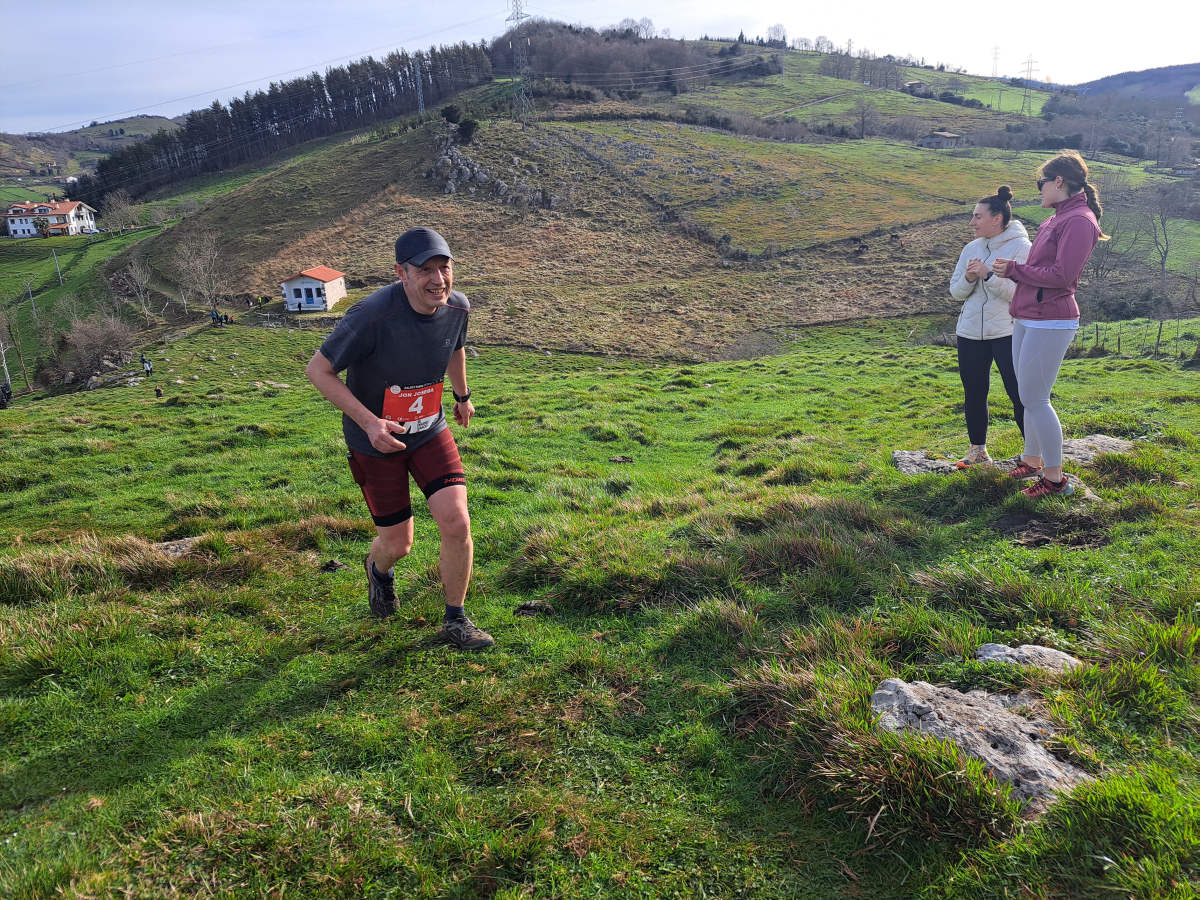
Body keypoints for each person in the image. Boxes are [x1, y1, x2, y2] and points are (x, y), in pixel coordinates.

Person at [305, 227, 492, 650]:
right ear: (400, 273)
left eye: (444, 268)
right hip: (375, 441)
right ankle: (378, 570)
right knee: (398, 543)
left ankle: (456, 620)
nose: (437, 280)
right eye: (424, 270)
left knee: (457, 520)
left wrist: (462, 396)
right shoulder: (371, 316)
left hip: (430, 430)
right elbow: (318, 371)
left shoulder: (457, 307)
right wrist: (370, 422)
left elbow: (455, 347)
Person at [994, 150, 1106, 499]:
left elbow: (1063, 276)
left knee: (1035, 398)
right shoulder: (1058, 217)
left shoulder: (1079, 221)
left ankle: (1056, 479)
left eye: (1041, 182)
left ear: (1059, 181)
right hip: (1031, 315)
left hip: (1051, 319)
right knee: (1028, 396)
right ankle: (1032, 460)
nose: (1038, 189)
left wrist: (1014, 269)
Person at [949, 186, 1030, 468]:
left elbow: (1020, 294)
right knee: (973, 392)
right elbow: (956, 292)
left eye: (977, 216)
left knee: (1019, 393)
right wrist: (970, 278)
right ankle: (978, 451)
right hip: (970, 332)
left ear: (997, 218)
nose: (972, 222)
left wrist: (986, 277)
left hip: (1008, 332)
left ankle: (1032, 455)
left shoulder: (1022, 247)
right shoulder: (970, 248)